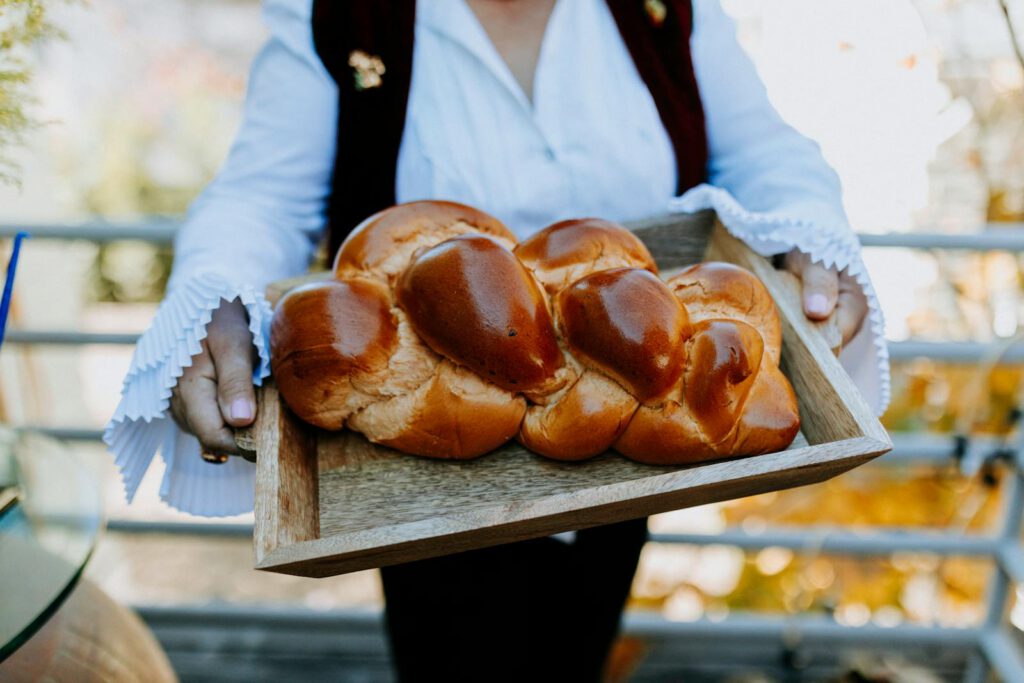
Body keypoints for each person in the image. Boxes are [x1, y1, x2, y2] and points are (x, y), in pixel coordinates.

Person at [106, 0, 889, 680]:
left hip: (631, 445)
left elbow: (762, 151)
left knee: (578, 651)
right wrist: (213, 294)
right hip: (421, 499)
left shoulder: (663, 7)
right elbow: (261, 197)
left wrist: (809, 230)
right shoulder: (342, 12)